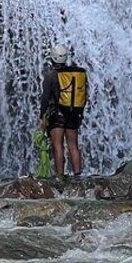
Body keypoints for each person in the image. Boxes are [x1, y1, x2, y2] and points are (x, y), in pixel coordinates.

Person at [38, 44, 88, 179]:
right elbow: (85, 94)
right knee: (73, 146)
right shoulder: (77, 74)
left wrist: (42, 117)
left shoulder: (51, 76)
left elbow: (45, 98)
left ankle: (60, 176)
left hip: (57, 115)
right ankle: (78, 176)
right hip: (73, 114)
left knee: (57, 146)